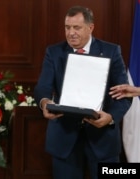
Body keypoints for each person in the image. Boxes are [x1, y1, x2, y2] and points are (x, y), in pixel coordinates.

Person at [34, 6, 132, 179]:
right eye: (67, 27)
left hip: (103, 140)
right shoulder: (54, 52)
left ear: (90, 27)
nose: (71, 33)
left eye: (76, 27)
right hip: (64, 139)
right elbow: (43, 87)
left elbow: (124, 94)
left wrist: (110, 117)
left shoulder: (111, 51)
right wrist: (44, 103)